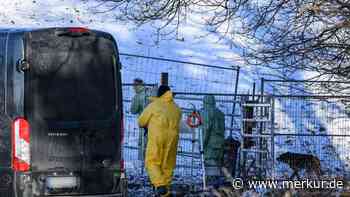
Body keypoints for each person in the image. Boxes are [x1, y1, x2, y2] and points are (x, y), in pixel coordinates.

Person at [138, 85, 182, 197]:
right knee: (168, 164)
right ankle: (165, 192)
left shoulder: (154, 106)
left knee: (152, 161)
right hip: (172, 139)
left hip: (157, 138)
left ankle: (160, 185)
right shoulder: (177, 108)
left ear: (159, 94)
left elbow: (141, 121)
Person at [200, 95, 226, 186]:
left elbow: (206, 129)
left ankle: (211, 187)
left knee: (210, 165)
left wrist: (202, 143)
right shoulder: (220, 113)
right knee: (217, 164)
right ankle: (216, 187)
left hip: (210, 144)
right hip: (220, 144)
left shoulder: (206, 113)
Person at [130, 78, 155, 160]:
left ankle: (142, 162)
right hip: (155, 121)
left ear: (136, 85)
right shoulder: (150, 91)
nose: (133, 88)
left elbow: (133, 110)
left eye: (134, 85)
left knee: (143, 142)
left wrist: (134, 100)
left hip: (144, 123)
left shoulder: (138, 96)